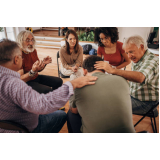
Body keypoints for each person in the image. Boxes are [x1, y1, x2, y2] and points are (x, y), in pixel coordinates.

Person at [0, 39, 97, 133]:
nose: (23, 58)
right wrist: (72, 84)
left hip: (17, 118)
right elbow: (43, 104)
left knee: (57, 82)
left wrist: (41, 65)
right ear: (16, 59)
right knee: (62, 115)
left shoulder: (7, 78)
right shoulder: (14, 84)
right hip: (23, 128)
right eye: (21, 57)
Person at [67, 55, 135, 133]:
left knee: (71, 113)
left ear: (84, 71)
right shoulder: (122, 80)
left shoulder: (78, 86)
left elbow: (74, 111)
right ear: (104, 69)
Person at [94, 35, 159, 115]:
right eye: (127, 53)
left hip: (146, 103)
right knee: (109, 94)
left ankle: (120, 126)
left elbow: (140, 77)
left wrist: (113, 70)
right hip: (134, 95)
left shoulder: (152, 60)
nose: (129, 56)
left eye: (131, 52)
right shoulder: (139, 57)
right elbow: (134, 77)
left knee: (108, 105)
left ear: (142, 47)